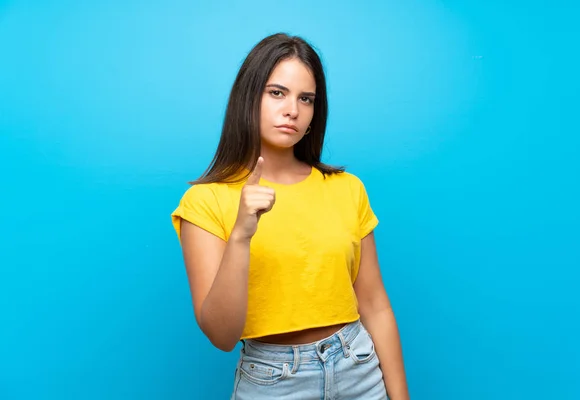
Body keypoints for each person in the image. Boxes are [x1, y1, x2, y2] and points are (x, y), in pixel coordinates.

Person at [171, 32, 410, 399]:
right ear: (248, 98)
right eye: (277, 93)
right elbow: (221, 336)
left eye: (306, 99)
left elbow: (376, 305)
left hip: (359, 368)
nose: (293, 110)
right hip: (273, 381)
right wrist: (240, 235)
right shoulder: (205, 200)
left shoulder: (347, 188)